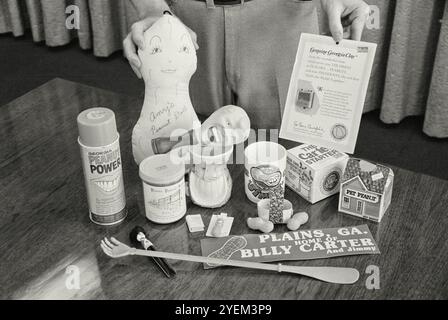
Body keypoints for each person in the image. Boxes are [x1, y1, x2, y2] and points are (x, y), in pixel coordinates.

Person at [124, 0, 370, 129]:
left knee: (286, 165)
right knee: (190, 152)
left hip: (282, 19)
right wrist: (151, 7)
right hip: (186, 24)